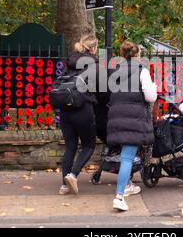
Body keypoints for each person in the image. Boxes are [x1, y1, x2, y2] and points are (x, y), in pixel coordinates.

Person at [106, 41, 158, 211]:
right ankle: (119, 197)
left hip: (116, 117)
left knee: (124, 155)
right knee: (127, 157)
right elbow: (150, 97)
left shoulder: (115, 72)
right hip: (133, 119)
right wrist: (154, 88)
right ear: (137, 55)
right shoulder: (142, 71)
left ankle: (127, 184)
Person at [59, 34, 100, 195]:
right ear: (93, 48)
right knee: (89, 145)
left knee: (70, 146)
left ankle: (64, 185)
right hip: (83, 108)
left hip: (65, 109)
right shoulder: (93, 64)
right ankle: (73, 175)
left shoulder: (70, 60)